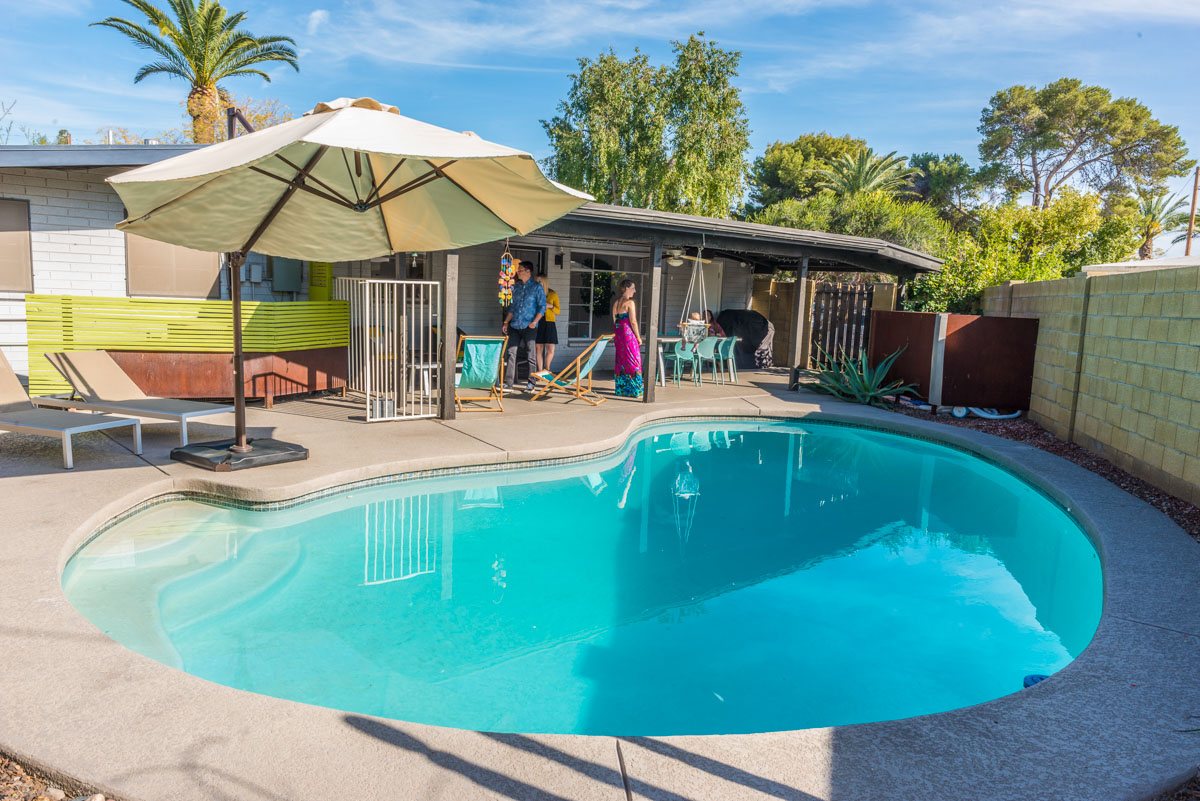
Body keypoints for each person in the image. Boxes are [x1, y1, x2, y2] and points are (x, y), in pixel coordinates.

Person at [501, 261, 545, 392]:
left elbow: (542, 307)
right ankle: (508, 383)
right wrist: (506, 322)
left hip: (529, 326)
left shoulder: (537, 287)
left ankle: (531, 383)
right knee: (511, 353)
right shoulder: (517, 287)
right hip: (515, 325)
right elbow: (512, 308)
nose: (517, 272)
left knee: (530, 355)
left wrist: (535, 322)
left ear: (528, 271)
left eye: (520, 270)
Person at [612, 279, 643, 398]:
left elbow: (615, 321)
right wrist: (638, 337)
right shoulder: (630, 303)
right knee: (634, 360)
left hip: (619, 335)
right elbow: (633, 321)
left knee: (621, 361)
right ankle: (635, 390)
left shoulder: (616, 303)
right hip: (628, 335)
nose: (635, 291)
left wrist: (618, 334)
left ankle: (622, 389)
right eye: (633, 288)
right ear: (627, 288)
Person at [534, 274, 560, 372]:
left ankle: (547, 368)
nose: (538, 283)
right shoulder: (534, 294)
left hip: (549, 323)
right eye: (536, 281)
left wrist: (550, 306)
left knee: (551, 350)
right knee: (539, 349)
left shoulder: (553, 294)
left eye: (540, 281)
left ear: (544, 282)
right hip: (538, 322)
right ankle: (540, 371)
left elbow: (558, 311)